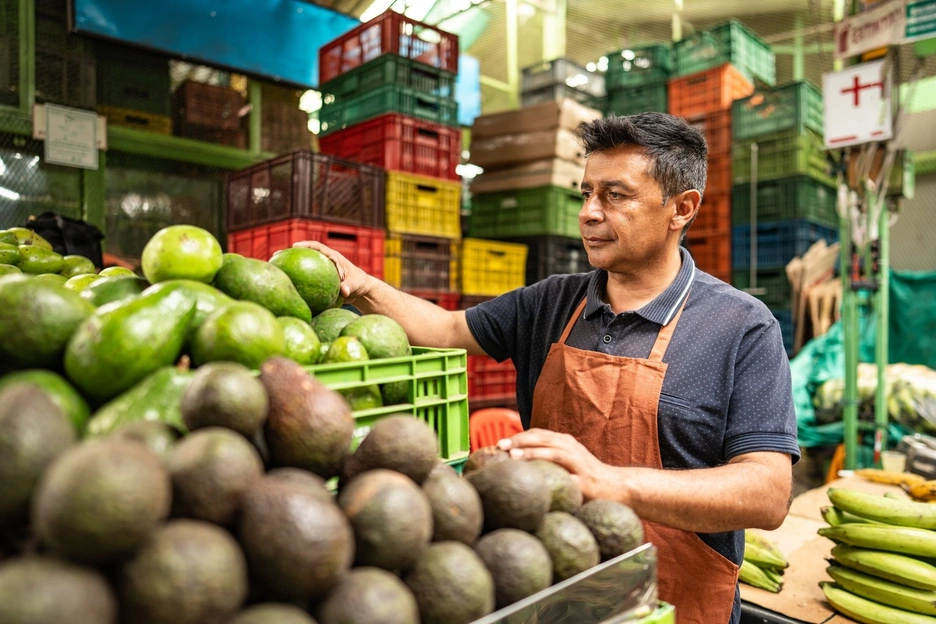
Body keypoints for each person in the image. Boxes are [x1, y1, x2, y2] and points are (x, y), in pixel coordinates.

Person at [299, 112, 798, 624]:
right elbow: (447, 329)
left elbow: (767, 492)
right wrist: (363, 285)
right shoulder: (552, 303)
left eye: (615, 196)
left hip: (675, 607)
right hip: (551, 593)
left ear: (682, 208)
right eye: (586, 194)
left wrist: (612, 483)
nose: (589, 213)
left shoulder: (741, 326)